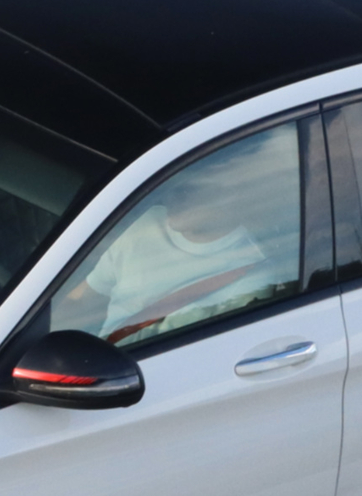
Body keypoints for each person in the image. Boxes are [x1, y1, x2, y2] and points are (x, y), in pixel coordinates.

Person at [53, 124, 298, 348]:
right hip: (95, 364)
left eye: (189, 189)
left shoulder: (251, 274)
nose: (171, 197)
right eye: (174, 187)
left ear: (231, 193)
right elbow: (84, 298)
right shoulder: (144, 223)